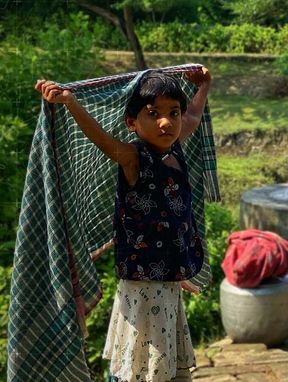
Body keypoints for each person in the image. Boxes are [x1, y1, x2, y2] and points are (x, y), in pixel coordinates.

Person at [35, 67, 212, 382]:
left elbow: (194, 118)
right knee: (146, 370)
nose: (166, 122)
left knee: (167, 368)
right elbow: (101, 140)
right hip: (143, 287)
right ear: (132, 123)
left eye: (173, 112)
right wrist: (71, 103)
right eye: (153, 113)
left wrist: (204, 87)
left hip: (168, 283)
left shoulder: (176, 150)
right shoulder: (134, 158)